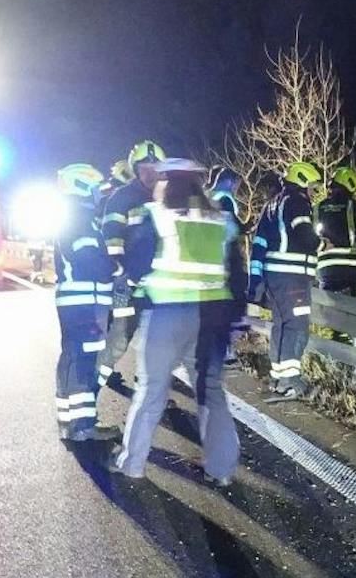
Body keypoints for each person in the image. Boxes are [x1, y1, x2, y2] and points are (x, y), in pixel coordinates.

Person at [109, 158, 243, 486]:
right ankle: (222, 470)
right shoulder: (223, 221)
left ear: (165, 183)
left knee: (152, 389)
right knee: (210, 391)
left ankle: (133, 464)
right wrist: (236, 317)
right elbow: (238, 274)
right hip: (212, 317)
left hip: (167, 315)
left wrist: (134, 289)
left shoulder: (155, 216)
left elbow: (136, 263)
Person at [51, 163, 118, 441]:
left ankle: (69, 421)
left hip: (73, 301)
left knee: (70, 357)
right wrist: (116, 269)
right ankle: (83, 427)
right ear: (81, 189)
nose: (98, 195)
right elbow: (91, 261)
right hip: (85, 302)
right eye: (94, 189)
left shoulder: (70, 217)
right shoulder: (80, 220)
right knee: (83, 360)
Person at [249, 159, 321, 400]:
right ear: (302, 182)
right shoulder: (297, 202)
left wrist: (256, 279)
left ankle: (280, 379)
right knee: (297, 326)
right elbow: (305, 235)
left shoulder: (272, 205)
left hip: (274, 278)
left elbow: (258, 244)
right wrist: (321, 243)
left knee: (281, 325)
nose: (313, 192)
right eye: (312, 186)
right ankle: (291, 381)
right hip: (293, 277)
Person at [98, 139, 165, 392]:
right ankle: (89, 396)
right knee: (118, 342)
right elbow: (110, 239)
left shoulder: (165, 198)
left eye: (155, 166)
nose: (151, 172)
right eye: (145, 167)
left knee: (156, 345)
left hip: (158, 288)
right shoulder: (122, 197)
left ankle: (149, 395)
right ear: (135, 169)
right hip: (127, 286)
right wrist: (120, 274)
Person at [209, 167, 250, 367]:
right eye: (237, 183)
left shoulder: (208, 196)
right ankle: (225, 352)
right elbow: (231, 228)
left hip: (212, 261)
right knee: (233, 305)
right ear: (230, 181)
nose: (237, 188)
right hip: (225, 261)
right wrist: (247, 227)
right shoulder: (224, 198)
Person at [314, 165, 356, 296]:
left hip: (325, 267)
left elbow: (308, 236)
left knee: (327, 303)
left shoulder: (317, 208)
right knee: (349, 306)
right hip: (350, 267)